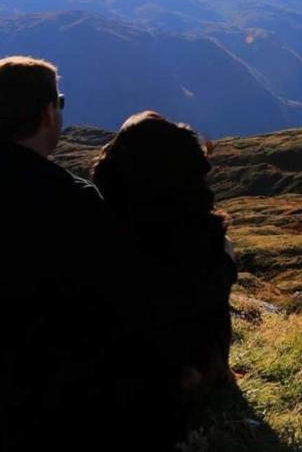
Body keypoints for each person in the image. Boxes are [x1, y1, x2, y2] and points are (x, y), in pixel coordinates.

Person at [0, 56, 129, 449]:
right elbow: (116, 296)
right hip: (52, 393)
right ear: (47, 113)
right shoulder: (73, 198)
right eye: (60, 103)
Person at [91, 111, 238, 447]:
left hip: (116, 364)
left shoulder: (99, 222)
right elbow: (206, 294)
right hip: (177, 372)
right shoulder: (201, 236)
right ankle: (214, 371)